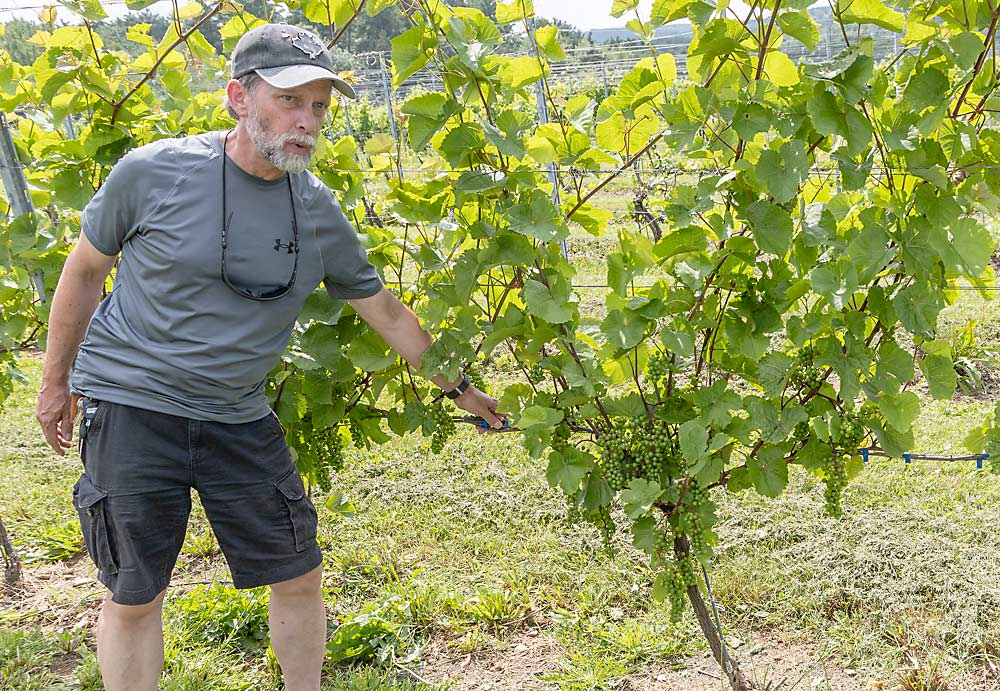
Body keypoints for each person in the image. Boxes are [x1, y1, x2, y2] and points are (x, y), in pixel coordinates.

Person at [34, 23, 504, 691]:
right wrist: (55, 383)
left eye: (319, 107)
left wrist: (461, 388)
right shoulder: (151, 172)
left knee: (298, 570)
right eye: (290, 101)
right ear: (238, 97)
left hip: (236, 413)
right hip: (135, 402)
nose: (306, 122)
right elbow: (83, 271)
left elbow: (389, 313)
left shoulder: (315, 211)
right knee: (135, 591)